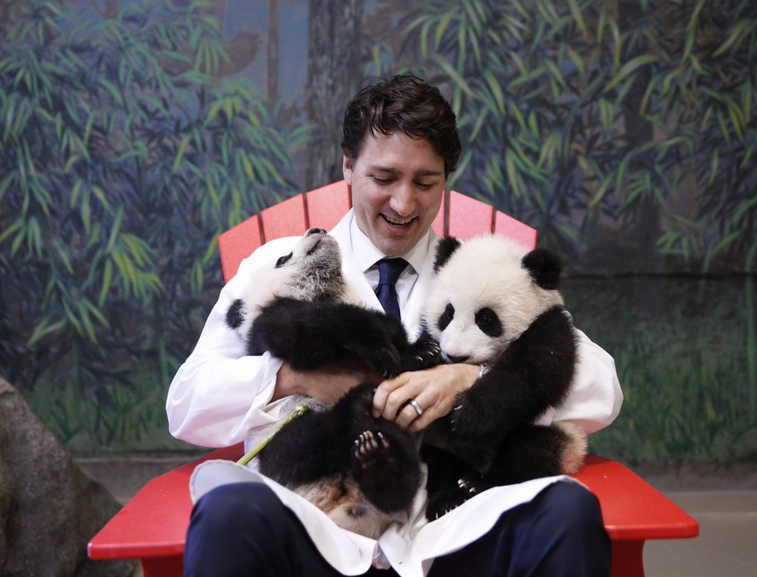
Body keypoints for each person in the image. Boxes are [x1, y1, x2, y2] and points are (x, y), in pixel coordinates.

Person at [166, 74, 623, 577]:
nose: (404, 204)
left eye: (425, 183)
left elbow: (600, 386)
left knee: (567, 511)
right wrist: (293, 379)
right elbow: (187, 403)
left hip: (454, 524)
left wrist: (471, 379)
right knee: (228, 513)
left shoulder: (477, 272)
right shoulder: (282, 266)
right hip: (315, 524)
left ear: (447, 178)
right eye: (383, 179)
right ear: (347, 165)